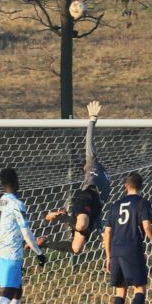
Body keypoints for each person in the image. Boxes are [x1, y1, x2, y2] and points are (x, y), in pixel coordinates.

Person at [40, 101, 111, 254]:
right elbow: (89, 142)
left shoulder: (106, 178)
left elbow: (98, 211)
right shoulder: (92, 163)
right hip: (86, 197)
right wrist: (92, 120)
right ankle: (64, 216)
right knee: (81, 225)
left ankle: (44, 243)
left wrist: (101, 232)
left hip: (93, 208)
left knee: (76, 248)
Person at [0, 168, 46, 304]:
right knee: (7, 291)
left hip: (3, 251)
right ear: (16, 182)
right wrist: (39, 252)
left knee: (16, 291)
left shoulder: (0, 202)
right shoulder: (16, 204)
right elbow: (26, 232)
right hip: (10, 253)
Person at [103, 172, 152, 304]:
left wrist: (108, 256)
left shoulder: (115, 205)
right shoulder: (143, 203)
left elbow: (107, 233)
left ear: (125, 186)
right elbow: (146, 226)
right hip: (132, 250)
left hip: (115, 252)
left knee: (120, 291)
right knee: (140, 288)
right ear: (141, 186)